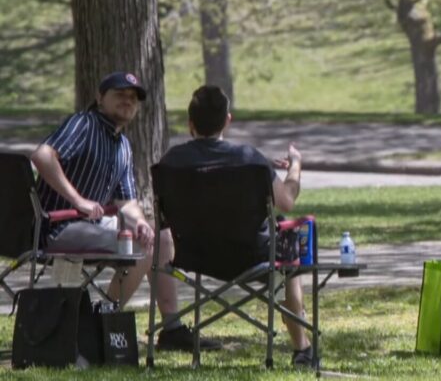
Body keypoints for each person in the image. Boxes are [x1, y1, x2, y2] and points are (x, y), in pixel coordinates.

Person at [31, 72, 217, 352]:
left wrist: (141, 222)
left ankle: (172, 328)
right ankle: (103, 321)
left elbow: (126, 202)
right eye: (120, 94)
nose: (127, 101)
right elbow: (42, 156)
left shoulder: (123, 145)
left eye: (133, 98)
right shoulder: (83, 123)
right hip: (55, 227)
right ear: (100, 98)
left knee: (159, 235)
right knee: (142, 247)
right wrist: (78, 200)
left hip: (87, 227)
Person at [158, 85, 315, 367]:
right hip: (252, 257)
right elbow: (288, 201)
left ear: (190, 124)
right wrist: (295, 165)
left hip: (194, 256)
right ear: (227, 120)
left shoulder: (171, 162)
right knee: (288, 239)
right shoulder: (250, 159)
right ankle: (302, 348)